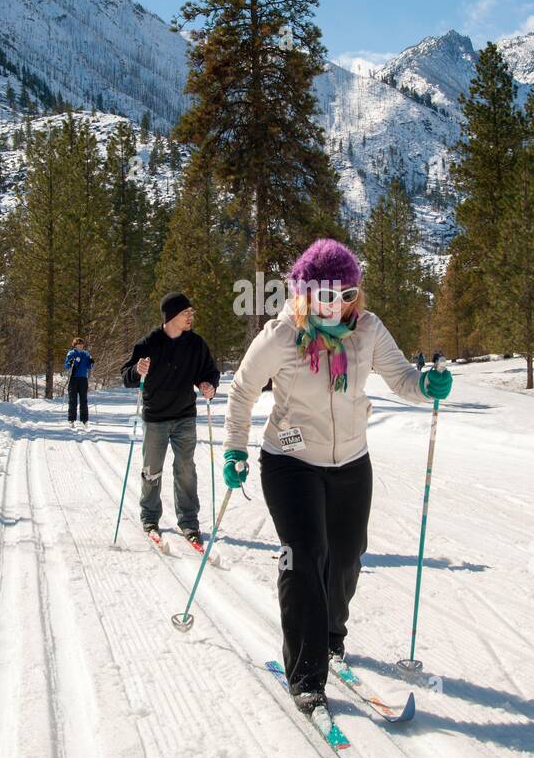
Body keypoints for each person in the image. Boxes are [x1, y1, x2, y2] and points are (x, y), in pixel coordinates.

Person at [222, 238, 452, 716]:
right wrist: (234, 449)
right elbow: (242, 391)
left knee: (346, 559)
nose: (338, 305)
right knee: (305, 557)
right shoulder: (282, 336)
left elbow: (403, 380)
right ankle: (306, 675)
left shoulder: (367, 330)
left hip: (351, 461)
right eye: (327, 296)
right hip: (290, 463)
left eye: (347, 295)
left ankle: (330, 637)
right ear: (304, 295)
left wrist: (427, 385)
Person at [120, 292, 220, 545]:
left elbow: (208, 371)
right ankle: (150, 517)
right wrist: (136, 371)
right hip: (156, 417)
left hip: (185, 416)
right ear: (172, 315)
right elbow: (127, 376)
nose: (191, 317)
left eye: (191, 313)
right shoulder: (148, 343)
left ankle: (188, 522)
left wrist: (209, 385)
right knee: (152, 471)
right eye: (186, 313)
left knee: (186, 470)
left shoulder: (196, 344)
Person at [65, 337, 94, 427]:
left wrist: (91, 362)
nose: (80, 346)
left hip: (83, 378)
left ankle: (84, 420)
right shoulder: (71, 353)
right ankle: (71, 419)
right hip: (73, 378)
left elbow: (89, 366)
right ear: (75, 345)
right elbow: (67, 366)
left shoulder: (86, 354)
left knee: (83, 400)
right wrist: (71, 362)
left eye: (81, 344)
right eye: (78, 344)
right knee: (73, 400)